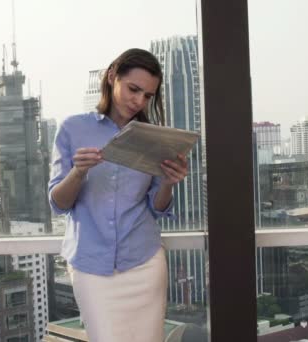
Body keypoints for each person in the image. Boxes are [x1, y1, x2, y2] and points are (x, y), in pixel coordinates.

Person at [48, 48, 188, 342]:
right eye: (133, 89)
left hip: (144, 263)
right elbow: (58, 204)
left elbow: (157, 208)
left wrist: (168, 182)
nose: (138, 101)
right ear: (112, 77)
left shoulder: (152, 137)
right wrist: (78, 172)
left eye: (148, 95)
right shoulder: (73, 129)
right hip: (91, 267)